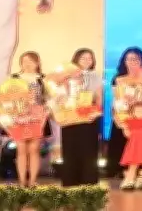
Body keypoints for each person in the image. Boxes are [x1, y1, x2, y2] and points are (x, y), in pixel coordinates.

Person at [106, 47, 142, 182]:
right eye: (129, 59)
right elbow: (116, 99)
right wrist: (117, 115)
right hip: (126, 117)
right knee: (126, 145)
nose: (132, 62)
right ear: (124, 61)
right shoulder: (118, 79)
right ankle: (126, 172)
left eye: (136, 59)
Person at [60, 48, 102, 187]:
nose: (87, 60)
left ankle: (88, 179)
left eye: (90, 58)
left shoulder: (95, 76)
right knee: (70, 148)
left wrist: (96, 111)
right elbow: (60, 95)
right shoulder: (66, 75)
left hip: (88, 116)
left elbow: (99, 97)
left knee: (88, 149)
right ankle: (70, 179)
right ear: (76, 59)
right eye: (83, 58)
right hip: (70, 117)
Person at [10, 51, 52, 187]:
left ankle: (33, 180)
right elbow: (7, 96)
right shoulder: (14, 78)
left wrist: (46, 111)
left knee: (34, 149)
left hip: (38, 117)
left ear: (37, 63)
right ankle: (22, 181)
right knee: (21, 149)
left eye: (31, 61)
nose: (27, 64)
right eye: (24, 61)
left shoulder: (43, 79)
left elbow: (49, 97)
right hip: (19, 117)